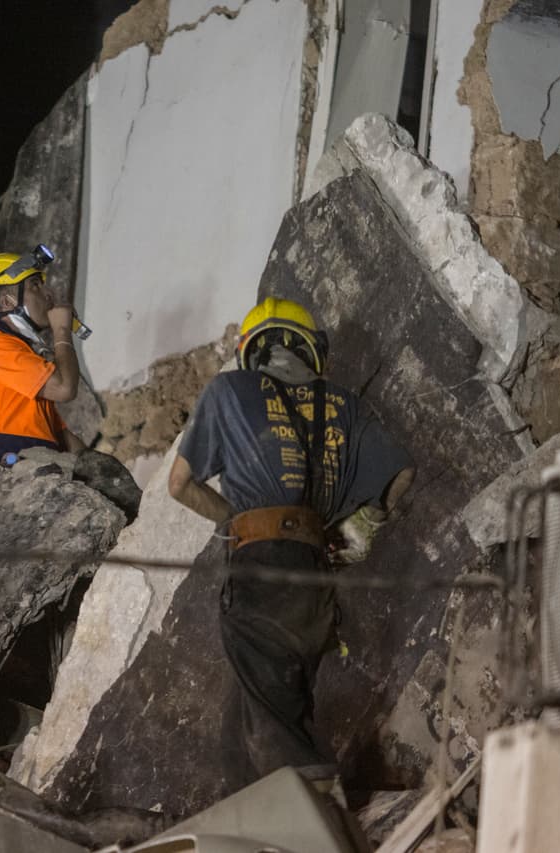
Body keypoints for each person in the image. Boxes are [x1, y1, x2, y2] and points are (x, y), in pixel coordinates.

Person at [167, 296, 414, 788]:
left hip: (262, 565)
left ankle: (318, 808)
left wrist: (236, 520)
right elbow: (400, 472)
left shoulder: (229, 390)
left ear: (251, 352)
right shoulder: (343, 404)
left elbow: (179, 485)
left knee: (277, 728)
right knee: (253, 716)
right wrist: (360, 528)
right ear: (310, 350)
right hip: (314, 573)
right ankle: (246, 815)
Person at [0, 248, 86, 462]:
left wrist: (96, 466)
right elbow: (65, 388)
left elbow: (61, 436)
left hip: (25, 472)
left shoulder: (24, 358)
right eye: (35, 285)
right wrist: (61, 331)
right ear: (7, 302)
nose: (48, 294)